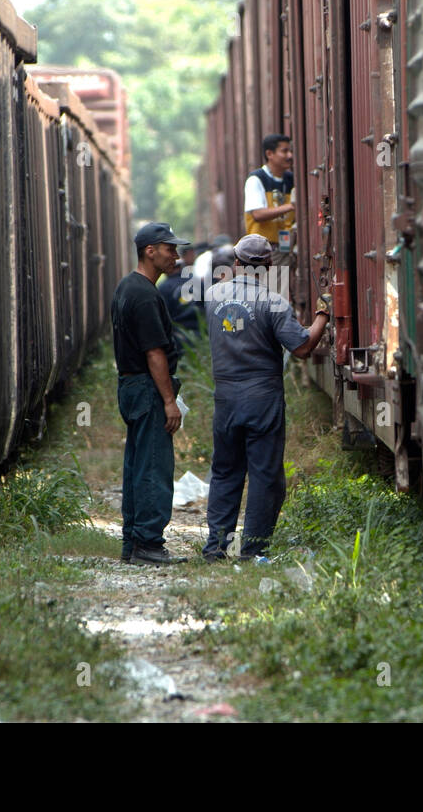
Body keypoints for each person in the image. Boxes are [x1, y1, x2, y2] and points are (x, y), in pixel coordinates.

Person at [203, 234, 330, 561]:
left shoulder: (212, 296)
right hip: (262, 398)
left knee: (225, 471)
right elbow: (302, 347)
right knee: (263, 475)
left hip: (225, 397)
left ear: (235, 263)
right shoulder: (273, 303)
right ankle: (253, 550)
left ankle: (216, 547)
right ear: (269, 266)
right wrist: (323, 316)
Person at [111, 222, 192, 565]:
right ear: (150, 251)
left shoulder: (128, 287)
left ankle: (133, 543)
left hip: (131, 386)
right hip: (147, 387)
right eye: (169, 248)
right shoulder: (145, 294)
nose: (176, 255)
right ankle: (148, 544)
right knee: (154, 466)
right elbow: (155, 354)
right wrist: (169, 401)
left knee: (137, 464)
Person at [244, 135, 295, 268]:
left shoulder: (291, 179)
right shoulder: (256, 179)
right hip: (263, 251)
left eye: (290, 151)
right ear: (269, 154)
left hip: (285, 248)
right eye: (284, 151)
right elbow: (258, 214)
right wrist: (291, 206)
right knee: (274, 287)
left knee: (281, 287)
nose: (290, 155)